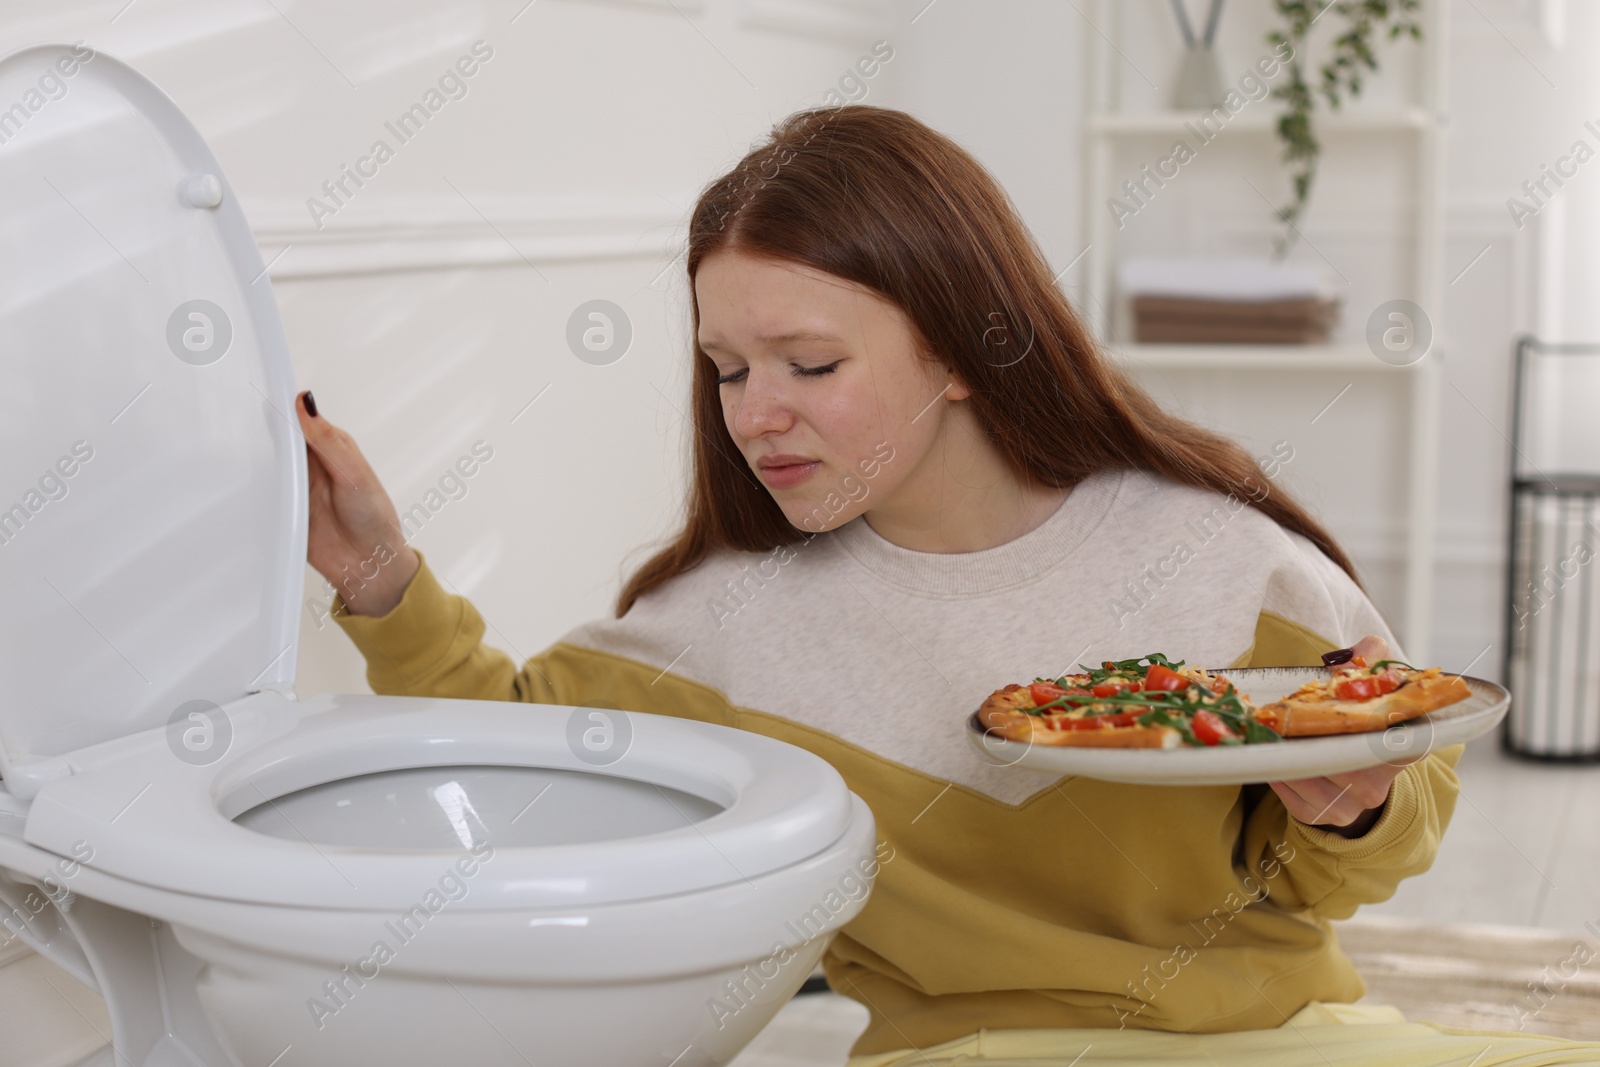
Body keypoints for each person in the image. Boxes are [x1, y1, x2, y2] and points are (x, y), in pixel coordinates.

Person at [294, 105, 1600, 1066]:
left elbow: (1382, 821)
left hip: (1259, 1037)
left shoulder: (1221, 562)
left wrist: (1355, 810)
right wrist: (378, 577)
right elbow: (524, 739)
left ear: (966, 347)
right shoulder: (724, 623)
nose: (759, 417)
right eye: (729, 370)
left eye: (809, 362)